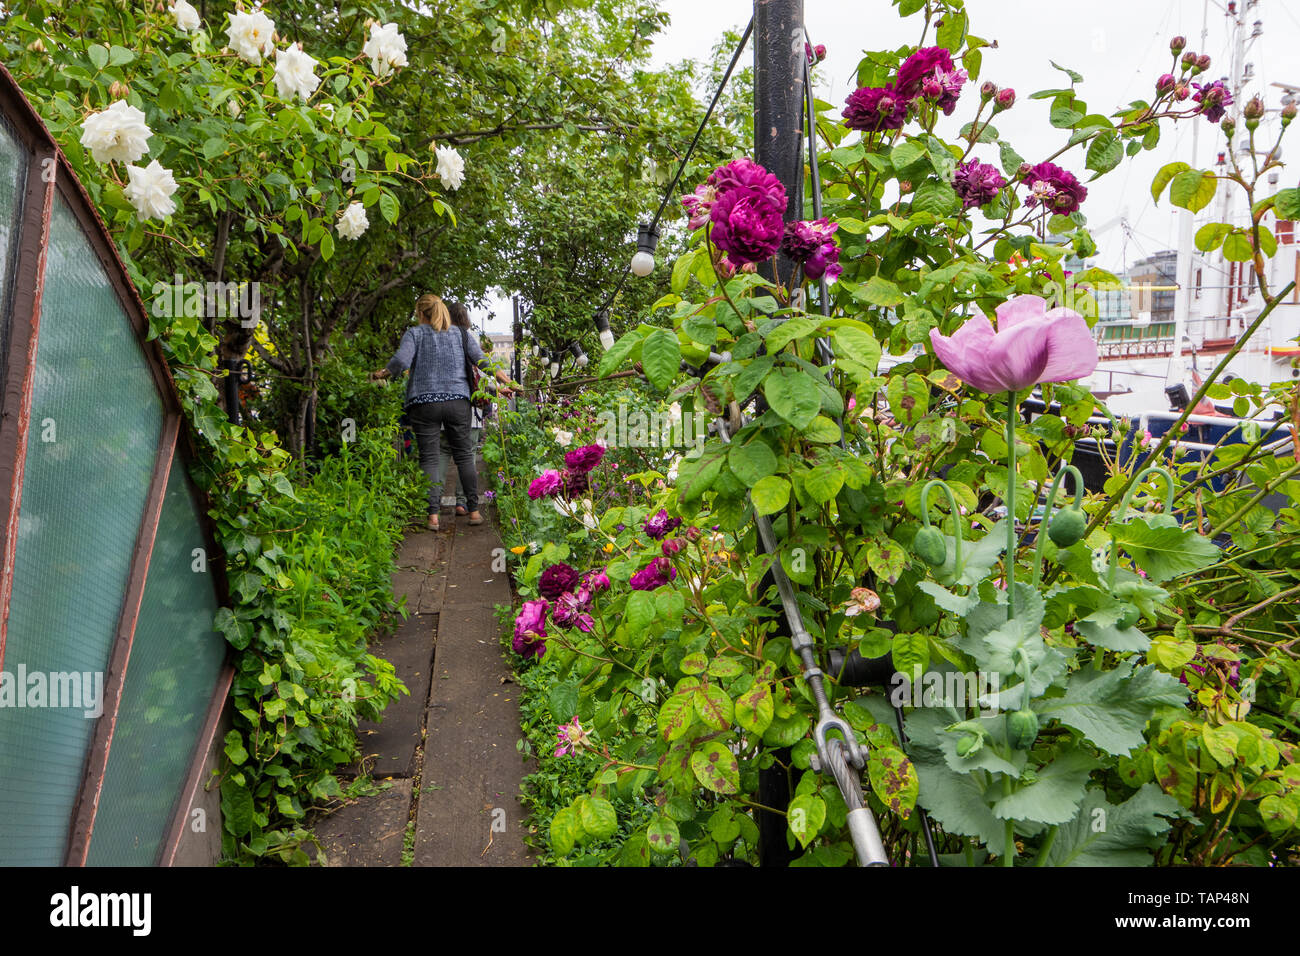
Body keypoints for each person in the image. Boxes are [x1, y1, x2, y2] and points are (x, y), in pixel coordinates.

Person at [370, 294, 513, 530]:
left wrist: (381, 374)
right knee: (465, 456)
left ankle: (433, 517)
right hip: (458, 402)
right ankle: (474, 512)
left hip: (424, 403)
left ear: (420, 313)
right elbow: (482, 361)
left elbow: (401, 361)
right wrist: (504, 381)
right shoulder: (461, 334)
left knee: (430, 457)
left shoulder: (415, 334)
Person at [436, 302, 488, 515]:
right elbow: (483, 372)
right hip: (468, 413)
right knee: (466, 456)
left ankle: (434, 505)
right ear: (465, 318)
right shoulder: (468, 338)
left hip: (440, 411)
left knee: (441, 454)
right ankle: (462, 502)